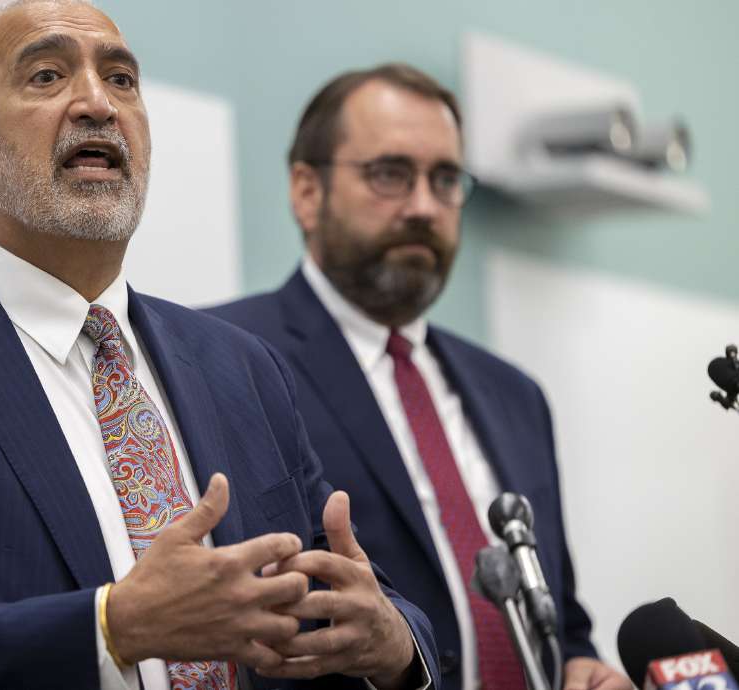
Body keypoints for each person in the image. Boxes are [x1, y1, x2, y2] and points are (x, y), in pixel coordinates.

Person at [0, 4, 438, 690]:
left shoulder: (243, 367)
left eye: (121, 80)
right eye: (48, 75)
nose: (96, 103)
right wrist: (112, 628)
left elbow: (353, 593)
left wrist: (393, 642)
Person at [208, 65, 630, 690]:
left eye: (445, 179)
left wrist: (581, 667)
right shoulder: (224, 359)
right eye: (390, 174)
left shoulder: (515, 396)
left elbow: (561, 621)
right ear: (305, 190)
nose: (425, 206)